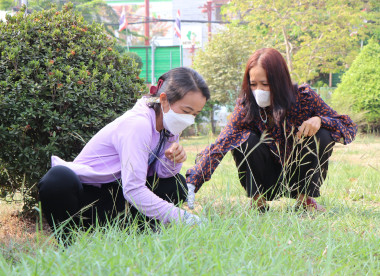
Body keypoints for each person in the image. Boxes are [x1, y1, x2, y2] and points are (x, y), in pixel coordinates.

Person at [38, 67, 210, 234]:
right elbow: (133, 189)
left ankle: (134, 231)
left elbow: (162, 177)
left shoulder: (168, 126)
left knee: (176, 183)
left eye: (195, 114)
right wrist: (182, 217)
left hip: (115, 196)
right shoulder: (138, 124)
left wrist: (171, 160)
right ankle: (69, 241)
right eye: (187, 111)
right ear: (164, 100)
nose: (189, 120)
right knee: (58, 179)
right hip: (90, 197)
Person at [186, 48, 357, 212]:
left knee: (323, 133)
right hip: (265, 175)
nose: (259, 90)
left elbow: (348, 126)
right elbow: (221, 144)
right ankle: (258, 202)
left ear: (279, 81)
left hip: (297, 172)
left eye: (265, 84)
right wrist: (193, 181)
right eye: (253, 84)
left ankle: (305, 200)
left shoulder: (304, 98)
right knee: (241, 138)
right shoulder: (246, 106)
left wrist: (320, 120)